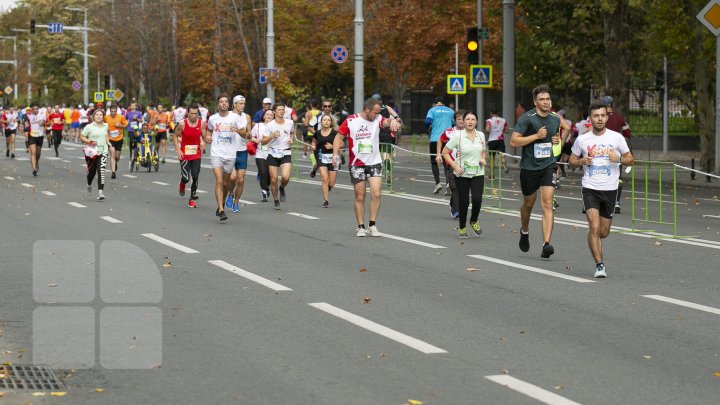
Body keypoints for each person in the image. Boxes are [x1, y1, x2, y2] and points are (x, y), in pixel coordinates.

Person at [569, 101, 634, 278]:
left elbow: (630, 159)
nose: (599, 119)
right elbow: (571, 161)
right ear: (590, 118)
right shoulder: (582, 139)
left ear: (607, 117)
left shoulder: (616, 138)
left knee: (603, 232)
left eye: (602, 115)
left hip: (610, 190)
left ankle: (596, 242)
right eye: (596, 116)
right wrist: (581, 161)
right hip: (590, 188)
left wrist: (619, 158)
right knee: (594, 227)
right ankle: (599, 265)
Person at [332, 97, 401, 236]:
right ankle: (361, 226)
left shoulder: (378, 119)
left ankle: (372, 224)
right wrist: (335, 154)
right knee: (360, 196)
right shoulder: (351, 120)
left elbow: (387, 122)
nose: (376, 115)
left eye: (378, 113)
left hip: (374, 161)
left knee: (376, 193)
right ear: (367, 109)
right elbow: (339, 137)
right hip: (357, 164)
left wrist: (393, 120)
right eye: (374, 113)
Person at [509, 84, 562, 258]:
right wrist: (535, 136)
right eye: (542, 99)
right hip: (529, 167)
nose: (546, 102)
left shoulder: (555, 119)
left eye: (548, 99)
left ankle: (547, 244)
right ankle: (524, 231)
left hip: (548, 165)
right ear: (535, 101)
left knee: (547, 203)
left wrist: (556, 141)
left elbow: (557, 139)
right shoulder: (527, 118)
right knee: (529, 204)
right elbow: (514, 142)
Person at [442, 111, 487, 238]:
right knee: (464, 201)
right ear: (464, 121)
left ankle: (473, 220)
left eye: (473, 119)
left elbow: (483, 151)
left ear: (477, 121)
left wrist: (483, 158)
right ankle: (462, 226)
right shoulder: (458, 136)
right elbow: (445, 152)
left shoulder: (481, 135)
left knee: (477, 199)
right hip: (462, 173)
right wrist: (455, 166)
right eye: (467, 119)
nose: (470, 122)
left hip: (478, 172)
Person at [203, 94, 243, 222]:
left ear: (229, 104)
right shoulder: (213, 119)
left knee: (226, 183)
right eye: (222, 102)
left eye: (226, 101)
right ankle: (221, 210)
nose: (224, 104)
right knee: (219, 181)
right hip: (216, 153)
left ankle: (222, 203)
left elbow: (245, 133)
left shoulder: (235, 117)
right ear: (218, 104)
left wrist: (237, 130)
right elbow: (208, 132)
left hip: (230, 154)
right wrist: (208, 137)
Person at [600, 95, 631, 214]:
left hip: (601, 151)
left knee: (601, 175)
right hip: (617, 153)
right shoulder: (620, 118)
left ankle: (603, 201)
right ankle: (617, 202)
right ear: (612, 105)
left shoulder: (601, 118)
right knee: (618, 178)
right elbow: (628, 133)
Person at [262, 103, 295, 210]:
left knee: (285, 177)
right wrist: (272, 136)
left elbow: (292, 132)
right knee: (273, 179)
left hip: (285, 152)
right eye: (279, 110)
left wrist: (292, 139)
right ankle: (276, 199)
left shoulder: (290, 122)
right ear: (275, 112)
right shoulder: (270, 125)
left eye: (282, 110)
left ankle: (282, 187)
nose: (281, 111)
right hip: (273, 152)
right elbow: (263, 141)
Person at [174, 103, 206, 208]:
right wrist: (178, 150)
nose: (194, 116)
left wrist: (205, 140)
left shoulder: (201, 124)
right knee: (186, 178)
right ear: (188, 113)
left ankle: (191, 199)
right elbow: (175, 136)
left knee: (195, 176)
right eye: (192, 113)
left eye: (196, 113)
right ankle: (182, 184)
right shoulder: (182, 124)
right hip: (185, 154)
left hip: (196, 154)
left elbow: (204, 136)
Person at [225, 95, 253, 213]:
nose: (243, 105)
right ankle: (230, 194)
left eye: (244, 103)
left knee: (240, 180)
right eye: (240, 103)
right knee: (232, 177)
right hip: (230, 150)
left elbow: (249, 134)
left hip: (242, 150)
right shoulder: (228, 116)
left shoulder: (247, 117)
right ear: (234, 104)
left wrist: (247, 134)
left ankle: (236, 202)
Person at [425, 96, 455, 194]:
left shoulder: (432, 110)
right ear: (444, 103)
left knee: (434, 162)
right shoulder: (451, 111)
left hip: (435, 139)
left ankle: (438, 183)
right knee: (448, 162)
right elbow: (454, 124)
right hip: (448, 139)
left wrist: (429, 127)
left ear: (435, 103)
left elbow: (427, 122)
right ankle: (448, 183)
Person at [437, 110, 464, 218]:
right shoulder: (449, 132)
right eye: (458, 119)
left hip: (465, 164)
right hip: (451, 163)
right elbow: (440, 140)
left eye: (463, 118)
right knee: (454, 186)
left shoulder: (471, 132)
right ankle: (456, 210)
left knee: (461, 189)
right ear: (455, 120)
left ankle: (454, 205)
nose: (461, 121)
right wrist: (438, 154)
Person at [80, 108, 110, 201]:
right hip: (91, 152)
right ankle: (89, 184)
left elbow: (106, 136)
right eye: (97, 115)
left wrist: (109, 143)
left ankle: (100, 192)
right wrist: (89, 141)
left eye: (101, 115)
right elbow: (82, 136)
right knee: (92, 172)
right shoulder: (89, 127)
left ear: (103, 117)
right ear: (93, 116)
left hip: (103, 151)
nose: (99, 116)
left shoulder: (106, 126)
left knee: (101, 171)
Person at [312, 113, 339, 207]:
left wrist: (332, 146)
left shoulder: (335, 133)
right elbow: (314, 140)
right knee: (325, 178)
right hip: (321, 156)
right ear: (321, 122)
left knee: (331, 183)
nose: (326, 121)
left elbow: (342, 144)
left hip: (333, 157)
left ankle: (315, 168)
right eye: (324, 120)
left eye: (328, 120)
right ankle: (326, 201)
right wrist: (313, 145)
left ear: (331, 122)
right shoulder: (317, 133)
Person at [374, 94, 401, 184]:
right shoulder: (387, 108)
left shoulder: (369, 109)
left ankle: (374, 175)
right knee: (386, 156)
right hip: (386, 134)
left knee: (374, 156)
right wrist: (394, 121)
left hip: (374, 135)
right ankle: (388, 171)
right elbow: (398, 118)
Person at [250, 108, 274, 202]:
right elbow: (250, 136)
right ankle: (264, 192)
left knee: (270, 175)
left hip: (272, 153)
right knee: (263, 173)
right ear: (263, 116)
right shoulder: (258, 126)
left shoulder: (275, 126)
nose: (269, 116)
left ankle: (267, 187)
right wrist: (255, 140)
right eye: (267, 114)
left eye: (271, 115)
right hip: (260, 153)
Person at [23, 104, 47, 177]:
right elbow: (26, 125)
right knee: (33, 152)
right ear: (32, 110)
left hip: (40, 135)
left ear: (38, 109)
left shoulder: (42, 115)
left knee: (38, 153)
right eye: (34, 109)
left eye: (36, 109)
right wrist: (26, 125)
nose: (35, 110)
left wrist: (42, 123)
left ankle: (36, 163)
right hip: (32, 135)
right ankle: (34, 169)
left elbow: (44, 122)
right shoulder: (28, 116)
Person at [484, 110, 509, 177]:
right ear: (498, 113)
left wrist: (486, 131)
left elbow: (487, 129)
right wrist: (500, 130)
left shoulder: (489, 120)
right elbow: (507, 131)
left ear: (491, 113)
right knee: (502, 155)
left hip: (492, 140)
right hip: (500, 140)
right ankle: (504, 165)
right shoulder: (503, 120)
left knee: (492, 158)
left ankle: (491, 174)